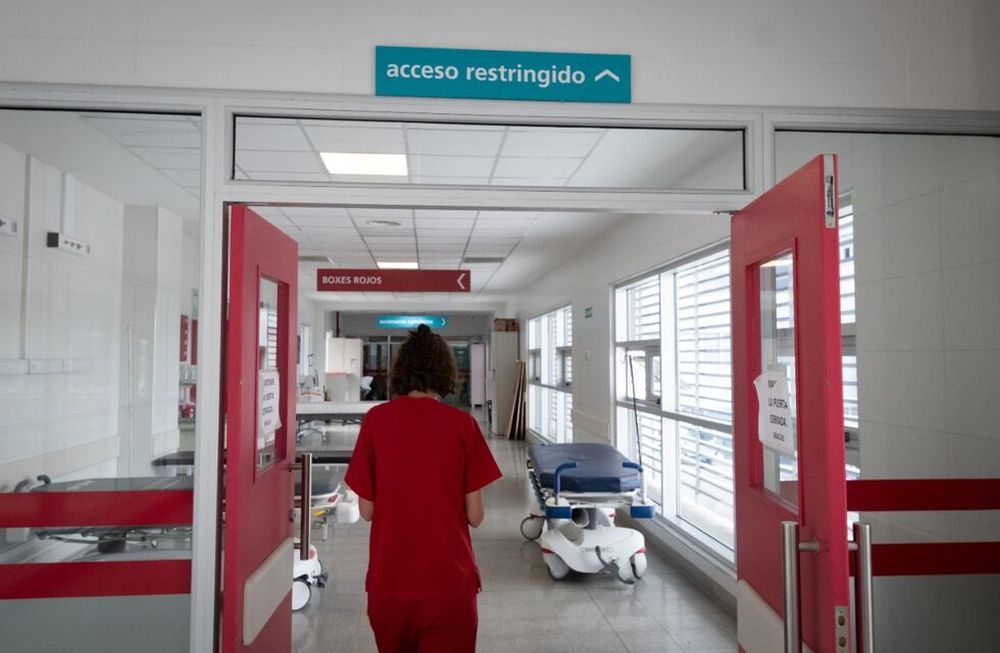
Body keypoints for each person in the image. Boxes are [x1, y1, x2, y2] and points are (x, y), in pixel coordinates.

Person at [344, 324, 503, 653]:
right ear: (444, 372)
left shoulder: (376, 421)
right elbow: (475, 517)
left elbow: (366, 510)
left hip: (390, 585)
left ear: (401, 372)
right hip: (449, 587)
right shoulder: (463, 426)